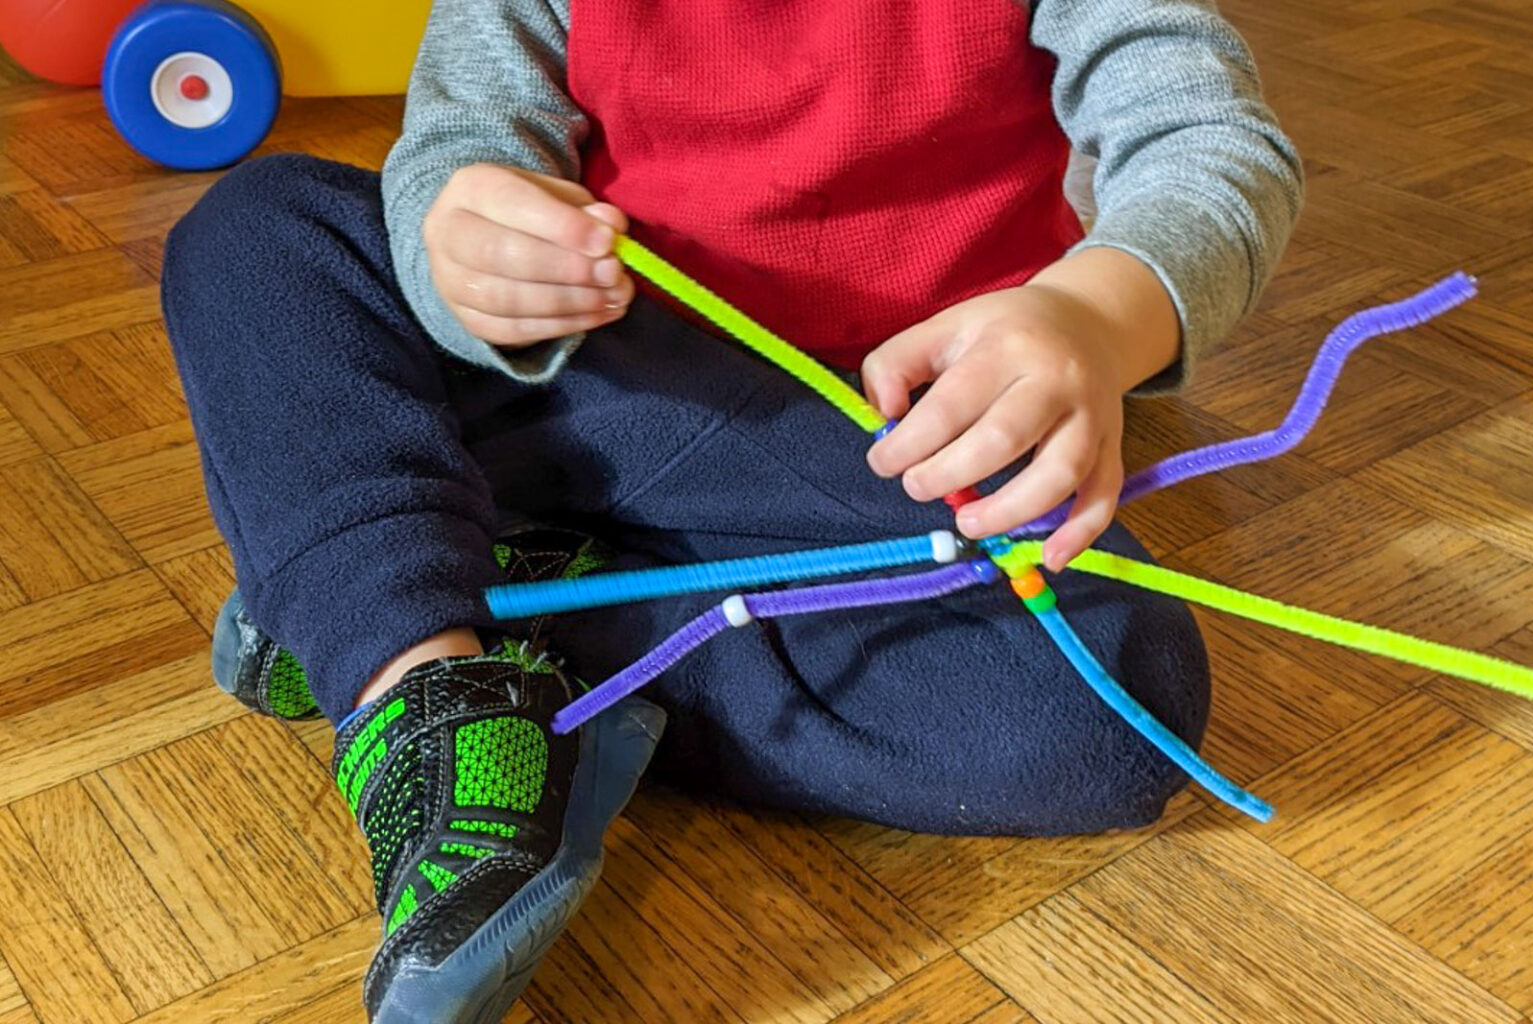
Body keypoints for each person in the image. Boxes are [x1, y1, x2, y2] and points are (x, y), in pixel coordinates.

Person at [161, 0, 1302, 1019]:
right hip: (592, 388)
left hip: (880, 464)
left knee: (1114, 701)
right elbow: (454, 155)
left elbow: (1211, 148)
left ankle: (415, 589)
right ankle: (413, 683)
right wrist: (463, 247)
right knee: (261, 230)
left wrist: (1094, 319)